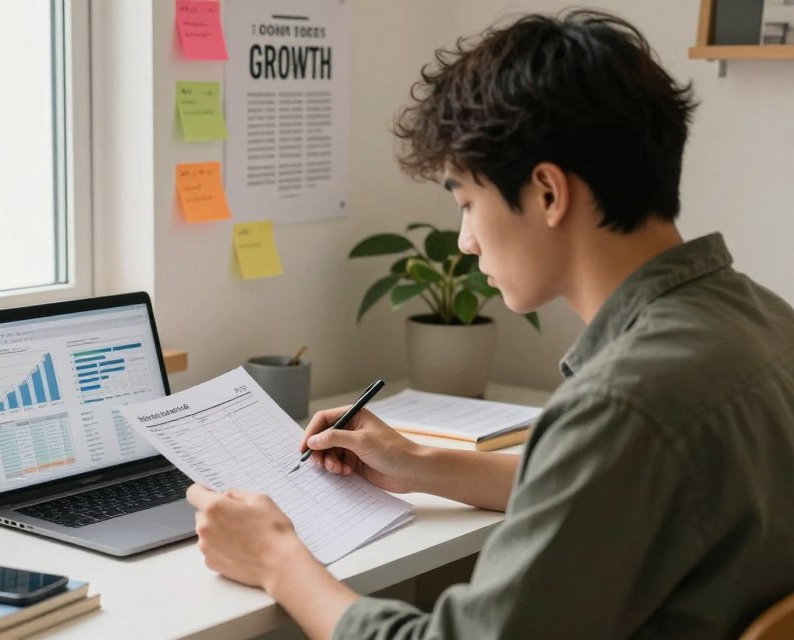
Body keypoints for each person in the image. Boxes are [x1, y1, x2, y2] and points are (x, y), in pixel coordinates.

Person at [186, 10, 794, 639]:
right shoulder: (764, 322)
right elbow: (608, 498)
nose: (466, 242)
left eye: (467, 203)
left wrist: (279, 563)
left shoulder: (624, 405)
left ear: (548, 194)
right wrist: (418, 462)